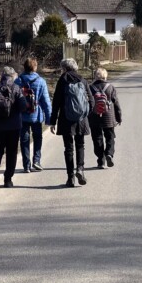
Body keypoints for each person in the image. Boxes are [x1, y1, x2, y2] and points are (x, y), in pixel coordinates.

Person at [49, 58, 90, 187]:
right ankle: (80, 169)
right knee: (80, 145)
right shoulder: (83, 80)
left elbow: (56, 102)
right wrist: (86, 113)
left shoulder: (62, 81)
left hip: (65, 118)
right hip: (81, 119)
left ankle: (70, 178)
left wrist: (53, 121)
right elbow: (91, 100)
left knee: (68, 148)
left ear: (64, 68)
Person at [15, 58, 52, 173]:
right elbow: (46, 101)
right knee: (37, 138)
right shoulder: (41, 81)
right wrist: (49, 119)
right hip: (36, 115)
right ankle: (36, 160)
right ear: (35, 67)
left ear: (24, 67)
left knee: (24, 140)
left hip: (22, 115)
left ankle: (26, 165)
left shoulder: (18, 81)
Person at [87, 67, 122, 169]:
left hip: (94, 117)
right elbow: (116, 104)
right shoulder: (110, 87)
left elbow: (87, 103)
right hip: (109, 117)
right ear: (105, 76)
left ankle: (100, 161)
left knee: (97, 139)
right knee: (110, 137)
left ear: (95, 76)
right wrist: (119, 117)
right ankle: (109, 154)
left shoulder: (90, 87)